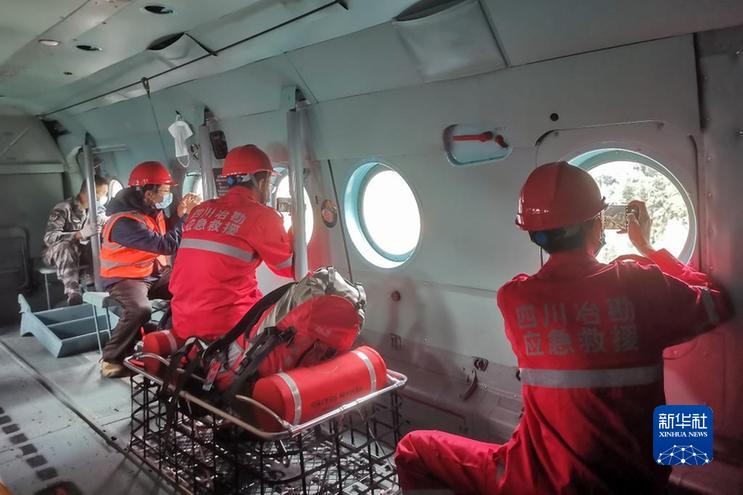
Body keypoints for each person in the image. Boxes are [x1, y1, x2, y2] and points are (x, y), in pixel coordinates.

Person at [394, 161, 732, 494]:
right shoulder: (639, 283)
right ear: (596, 224)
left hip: (542, 481)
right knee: (686, 425)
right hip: (641, 480)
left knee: (413, 448)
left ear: (533, 234)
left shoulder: (514, 298)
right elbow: (717, 303)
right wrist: (647, 248)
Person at [169, 144, 294, 342]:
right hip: (227, 327)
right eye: (270, 182)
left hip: (182, 320)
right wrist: (295, 228)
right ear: (262, 181)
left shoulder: (199, 211)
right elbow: (288, 268)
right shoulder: (262, 216)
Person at [99, 161, 200, 378]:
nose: (167, 195)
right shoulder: (124, 222)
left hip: (151, 272)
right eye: (164, 191)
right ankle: (111, 358)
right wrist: (186, 217)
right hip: (123, 277)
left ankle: (169, 337)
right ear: (148, 192)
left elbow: (163, 233)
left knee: (189, 286)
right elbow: (166, 245)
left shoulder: (151, 211)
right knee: (140, 309)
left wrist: (179, 214)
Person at [42, 175, 109, 306]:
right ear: (90, 192)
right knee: (64, 246)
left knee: (103, 244)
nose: (104, 198)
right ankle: (73, 292)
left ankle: (104, 285)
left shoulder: (99, 210)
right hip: (56, 252)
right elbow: (50, 238)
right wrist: (79, 234)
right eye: (102, 194)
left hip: (82, 251)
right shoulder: (64, 208)